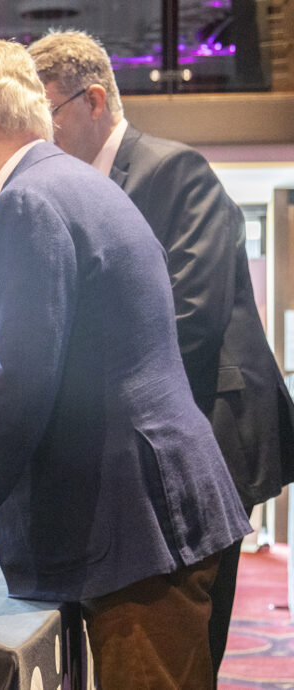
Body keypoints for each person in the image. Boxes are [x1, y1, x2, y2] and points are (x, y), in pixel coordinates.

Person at [0, 38, 251, 689]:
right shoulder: (72, 183)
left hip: (134, 529)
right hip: (150, 517)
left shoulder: (29, 202)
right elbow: (79, 377)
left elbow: (21, 393)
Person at [27, 30, 294, 678]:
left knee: (186, 643)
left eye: (46, 117)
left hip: (214, 437)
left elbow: (187, 321)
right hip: (147, 450)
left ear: (93, 102)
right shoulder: (70, 190)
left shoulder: (173, 170)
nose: (37, 138)